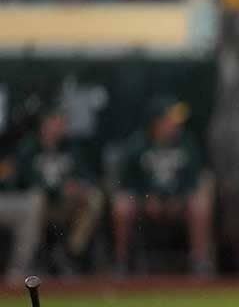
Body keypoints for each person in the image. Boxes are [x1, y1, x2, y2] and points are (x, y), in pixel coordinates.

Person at [112, 96, 213, 276]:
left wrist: (179, 198)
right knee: (122, 205)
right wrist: (146, 198)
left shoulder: (186, 142)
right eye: (170, 120)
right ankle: (122, 262)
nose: (176, 125)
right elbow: (126, 183)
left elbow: (193, 180)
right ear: (156, 122)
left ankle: (199, 261)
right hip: (144, 203)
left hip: (179, 202)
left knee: (200, 203)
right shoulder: (137, 145)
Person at [16, 107, 103, 275]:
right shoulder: (29, 147)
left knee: (94, 197)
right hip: (40, 206)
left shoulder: (71, 147)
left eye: (63, 123)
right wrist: (58, 190)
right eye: (55, 122)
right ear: (44, 124)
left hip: (65, 205)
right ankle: (34, 257)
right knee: (36, 198)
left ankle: (71, 251)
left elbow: (86, 175)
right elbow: (25, 181)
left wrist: (80, 186)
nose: (60, 127)